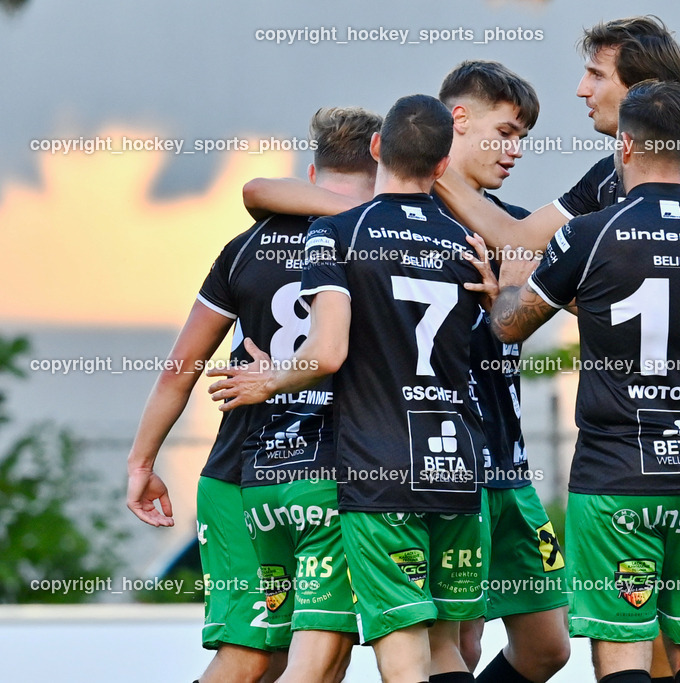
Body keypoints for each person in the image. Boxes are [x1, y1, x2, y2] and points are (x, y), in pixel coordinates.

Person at [435, 16, 680, 683]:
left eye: (595, 73)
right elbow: (523, 238)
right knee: (659, 633)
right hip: (666, 432)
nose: (581, 89)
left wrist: (424, 166)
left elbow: (632, 275)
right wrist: (426, 171)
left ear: (638, 90)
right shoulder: (606, 178)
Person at [208, 94, 488, 683]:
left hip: (379, 469)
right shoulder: (467, 241)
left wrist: (269, 379)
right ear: (442, 168)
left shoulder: (338, 233)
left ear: (379, 148)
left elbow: (327, 352)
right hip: (458, 463)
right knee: (450, 650)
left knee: (403, 647)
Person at [489, 80, 680, 683]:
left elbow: (510, 327)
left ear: (624, 146)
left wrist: (506, 289)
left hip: (616, 475)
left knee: (622, 648)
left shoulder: (590, 232)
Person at [125, 106, 378, 683]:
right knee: (312, 652)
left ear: (310, 175)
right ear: (382, 164)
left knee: (256, 654)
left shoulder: (245, 246)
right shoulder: (378, 245)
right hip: (330, 470)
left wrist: (142, 461)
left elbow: (180, 366)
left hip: (235, 474)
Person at [437, 60, 570, 683]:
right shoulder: (400, 219)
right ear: (457, 119)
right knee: (458, 647)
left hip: (510, 465)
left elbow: (581, 298)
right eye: (507, 132)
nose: (515, 150)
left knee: (548, 647)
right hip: (447, 464)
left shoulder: (516, 228)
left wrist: (510, 302)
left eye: (524, 138)